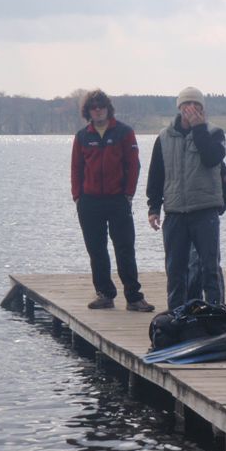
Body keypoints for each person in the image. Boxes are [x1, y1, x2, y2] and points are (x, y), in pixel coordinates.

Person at [71, 89, 154, 312]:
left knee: (125, 248)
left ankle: (134, 297)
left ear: (108, 108)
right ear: (88, 111)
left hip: (118, 200)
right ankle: (105, 294)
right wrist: (77, 196)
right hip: (89, 202)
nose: (97, 110)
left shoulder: (124, 133)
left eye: (101, 106)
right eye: (93, 107)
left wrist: (128, 193)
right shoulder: (82, 136)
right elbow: (76, 168)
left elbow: (134, 165)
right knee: (96, 250)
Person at [147, 86, 226, 310]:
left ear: (202, 109)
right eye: (186, 105)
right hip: (174, 213)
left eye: (196, 106)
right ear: (179, 108)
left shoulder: (214, 133)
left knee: (209, 269)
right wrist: (154, 208)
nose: (191, 110)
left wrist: (199, 128)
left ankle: (215, 313)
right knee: (175, 271)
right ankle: (175, 316)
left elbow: (212, 158)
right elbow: (156, 175)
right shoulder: (163, 137)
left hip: (205, 211)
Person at [186, 161, 226, 302]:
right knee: (192, 264)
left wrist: (221, 206)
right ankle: (192, 304)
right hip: (182, 213)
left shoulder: (211, 153)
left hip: (207, 213)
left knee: (209, 264)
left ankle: (217, 306)